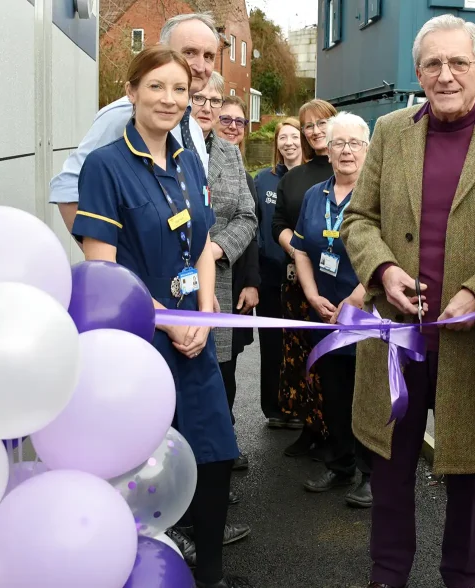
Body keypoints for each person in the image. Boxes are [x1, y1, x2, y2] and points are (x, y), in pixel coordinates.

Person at [340, 14, 475, 588]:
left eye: (457, 62)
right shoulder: (389, 131)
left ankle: (462, 578)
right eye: (432, 63)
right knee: (390, 470)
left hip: (472, 344)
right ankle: (387, 575)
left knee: (469, 478)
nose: (445, 74)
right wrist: (383, 269)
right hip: (396, 340)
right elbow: (359, 219)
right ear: (418, 72)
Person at [71, 46, 251, 588]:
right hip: (140, 339)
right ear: (131, 92)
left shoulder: (189, 160)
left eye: (180, 90)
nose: (170, 99)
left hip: (195, 334)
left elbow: (201, 243)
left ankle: (212, 574)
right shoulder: (105, 167)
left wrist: (204, 310)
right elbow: (104, 271)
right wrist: (169, 320)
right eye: (156, 87)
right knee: (143, 462)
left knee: (214, 452)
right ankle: (138, 567)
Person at [50, 13, 219, 232]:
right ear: (161, 50)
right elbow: (68, 188)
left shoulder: (192, 127)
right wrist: (103, 252)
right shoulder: (125, 114)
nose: (200, 66)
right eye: (189, 52)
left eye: (209, 56)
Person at [290, 112, 374, 508]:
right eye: (338, 143)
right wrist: (311, 294)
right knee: (335, 394)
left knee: (369, 395)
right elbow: (302, 250)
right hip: (324, 315)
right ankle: (341, 464)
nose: (346, 151)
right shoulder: (315, 195)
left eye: (354, 143)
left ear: (368, 149)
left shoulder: (378, 195)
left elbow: (391, 252)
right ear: (327, 149)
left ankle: (372, 474)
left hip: (366, 314)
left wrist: (356, 298)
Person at [191, 76, 258, 469]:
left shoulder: (229, 155)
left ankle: (215, 471)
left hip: (220, 279)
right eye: (197, 97)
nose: (207, 107)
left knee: (218, 376)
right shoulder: (166, 147)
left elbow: (248, 216)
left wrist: (216, 250)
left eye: (214, 100)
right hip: (172, 283)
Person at [272, 99, 338, 459]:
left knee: (338, 361)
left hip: (342, 285)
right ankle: (310, 429)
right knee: (301, 357)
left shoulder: (354, 167)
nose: (314, 131)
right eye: (308, 125)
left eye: (321, 123)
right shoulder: (294, 177)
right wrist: (297, 251)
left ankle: (340, 438)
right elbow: (279, 223)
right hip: (300, 283)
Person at [254, 118, 305, 430]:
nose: (289, 143)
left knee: (300, 342)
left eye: (294, 136)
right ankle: (273, 407)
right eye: (283, 138)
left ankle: (299, 406)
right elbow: (256, 224)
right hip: (271, 275)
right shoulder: (263, 180)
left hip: (307, 277)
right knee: (272, 343)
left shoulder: (314, 177)